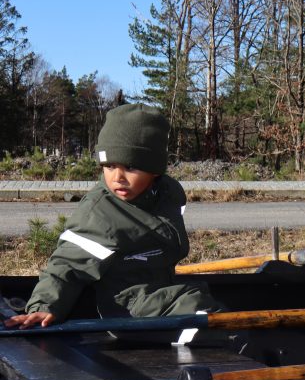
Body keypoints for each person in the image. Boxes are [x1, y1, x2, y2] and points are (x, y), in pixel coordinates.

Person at [2, 104, 221, 340]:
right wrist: (43, 306)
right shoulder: (101, 214)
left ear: (155, 170)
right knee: (201, 310)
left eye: (130, 166)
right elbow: (67, 265)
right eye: (109, 166)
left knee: (205, 298)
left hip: (159, 286)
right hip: (128, 307)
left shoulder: (168, 194)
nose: (117, 178)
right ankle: (222, 350)